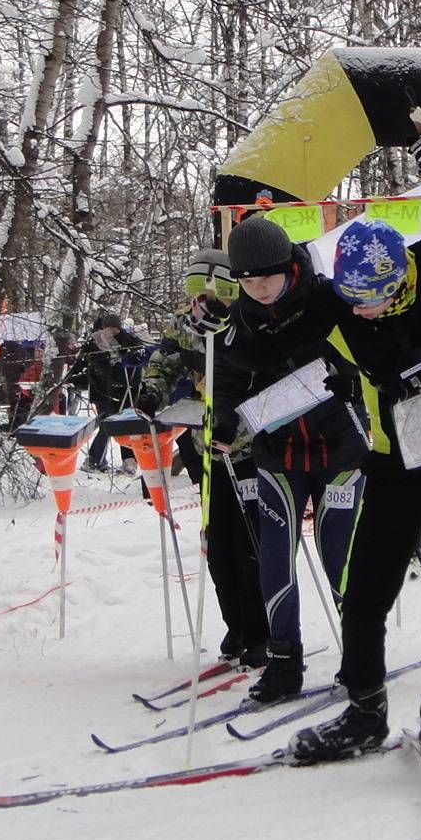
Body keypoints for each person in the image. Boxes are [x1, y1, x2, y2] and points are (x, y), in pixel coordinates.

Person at [287, 132, 421, 761]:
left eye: (377, 296)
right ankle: (364, 710)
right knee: (363, 589)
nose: (366, 310)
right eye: (354, 298)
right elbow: (279, 321)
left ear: (400, 277)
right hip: (397, 460)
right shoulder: (335, 308)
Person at [212, 217, 370, 705]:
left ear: (289, 267)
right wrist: (223, 421)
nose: (258, 288)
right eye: (247, 279)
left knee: (340, 556)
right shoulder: (239, 319)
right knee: (275, 559)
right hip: (277, 454)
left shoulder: (328, 298)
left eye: (267, 277)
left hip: (340, 446)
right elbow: (228, 378)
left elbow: (372, 347)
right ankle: (284, 662)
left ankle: (362, 656)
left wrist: (355, 378)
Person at [137, 250, 272, 666]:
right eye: (199, 288)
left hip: (248, 445)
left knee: (251, 540)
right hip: (205, 445)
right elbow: (164, 361)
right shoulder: (185, 322)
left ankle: (261, 629)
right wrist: (152, 392)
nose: (209, 298)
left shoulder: (252, 318)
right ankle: (235, 623)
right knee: (218, 541)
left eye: (220, 289)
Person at [80, 314, 143, 472]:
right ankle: (94, 460)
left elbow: (138, 357)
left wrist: (126, 358)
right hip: (103, 393)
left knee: (125, 426)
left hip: (125, 392)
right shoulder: (95, 342)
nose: (111, 332)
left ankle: (129, 461)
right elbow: (91, 365)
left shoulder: (128, 340)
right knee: (106, 426)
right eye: (108, 328)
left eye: (114, 329)